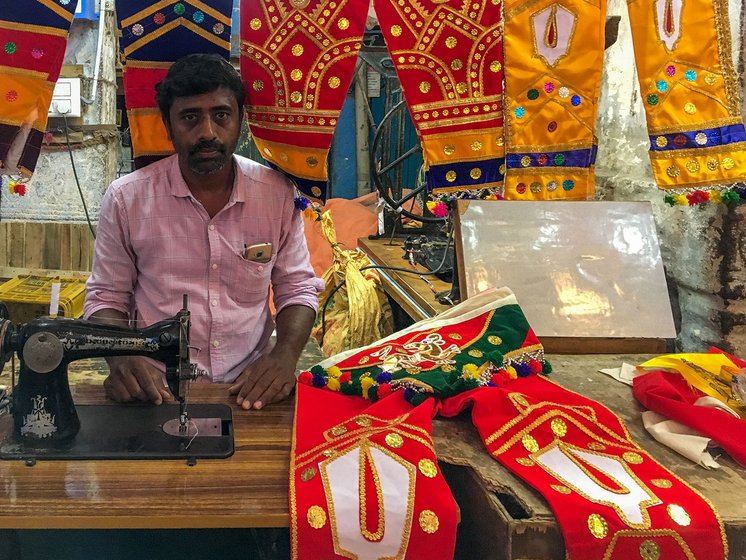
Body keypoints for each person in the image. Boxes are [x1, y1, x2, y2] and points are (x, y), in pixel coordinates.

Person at [84, 53, 323, 411]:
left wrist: (284, 357)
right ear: (168, 126)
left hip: (249, 389)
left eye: (221, 115)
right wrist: (121, 360)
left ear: (240, 121)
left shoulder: (276, 195)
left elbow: (297, 288)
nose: (207, 132)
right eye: (190, 117)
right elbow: (105, 299)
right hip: (155, 391)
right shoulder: (127, 200)